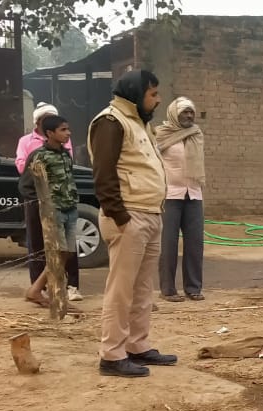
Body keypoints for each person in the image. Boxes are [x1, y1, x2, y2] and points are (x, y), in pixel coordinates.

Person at [89, 69, 177, 378]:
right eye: (153, 94)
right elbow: (103, 174)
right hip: (130, 217)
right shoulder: (110, 122)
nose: (158, 99)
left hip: (150, 213)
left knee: (142, 288)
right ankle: (112, 355)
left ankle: (138, 345)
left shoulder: (139, 123)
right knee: (121, 289)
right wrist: (121, 217)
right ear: (136, 95)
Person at [15, 103, 80, 299]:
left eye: (68, 129)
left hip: (69, 209)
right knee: (56, 252)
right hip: (54, 212)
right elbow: (25, 186)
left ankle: (40, 290)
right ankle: (46, 292)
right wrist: (45, 204)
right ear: (50, 133)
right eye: (63, 130)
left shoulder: (65, 155)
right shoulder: (39, 156)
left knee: (67, 252)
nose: (68, 133)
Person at [154, 96, 206, 302]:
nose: (189, 116)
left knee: (195, 243)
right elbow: (154, 162)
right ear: (174, 114)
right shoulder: (161, 134)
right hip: (169, 195)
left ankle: (193, 288)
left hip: (193, 194)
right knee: (168, 244)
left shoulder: (196, 134)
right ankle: (168, 289)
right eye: (185, 112)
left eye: (191, 112)